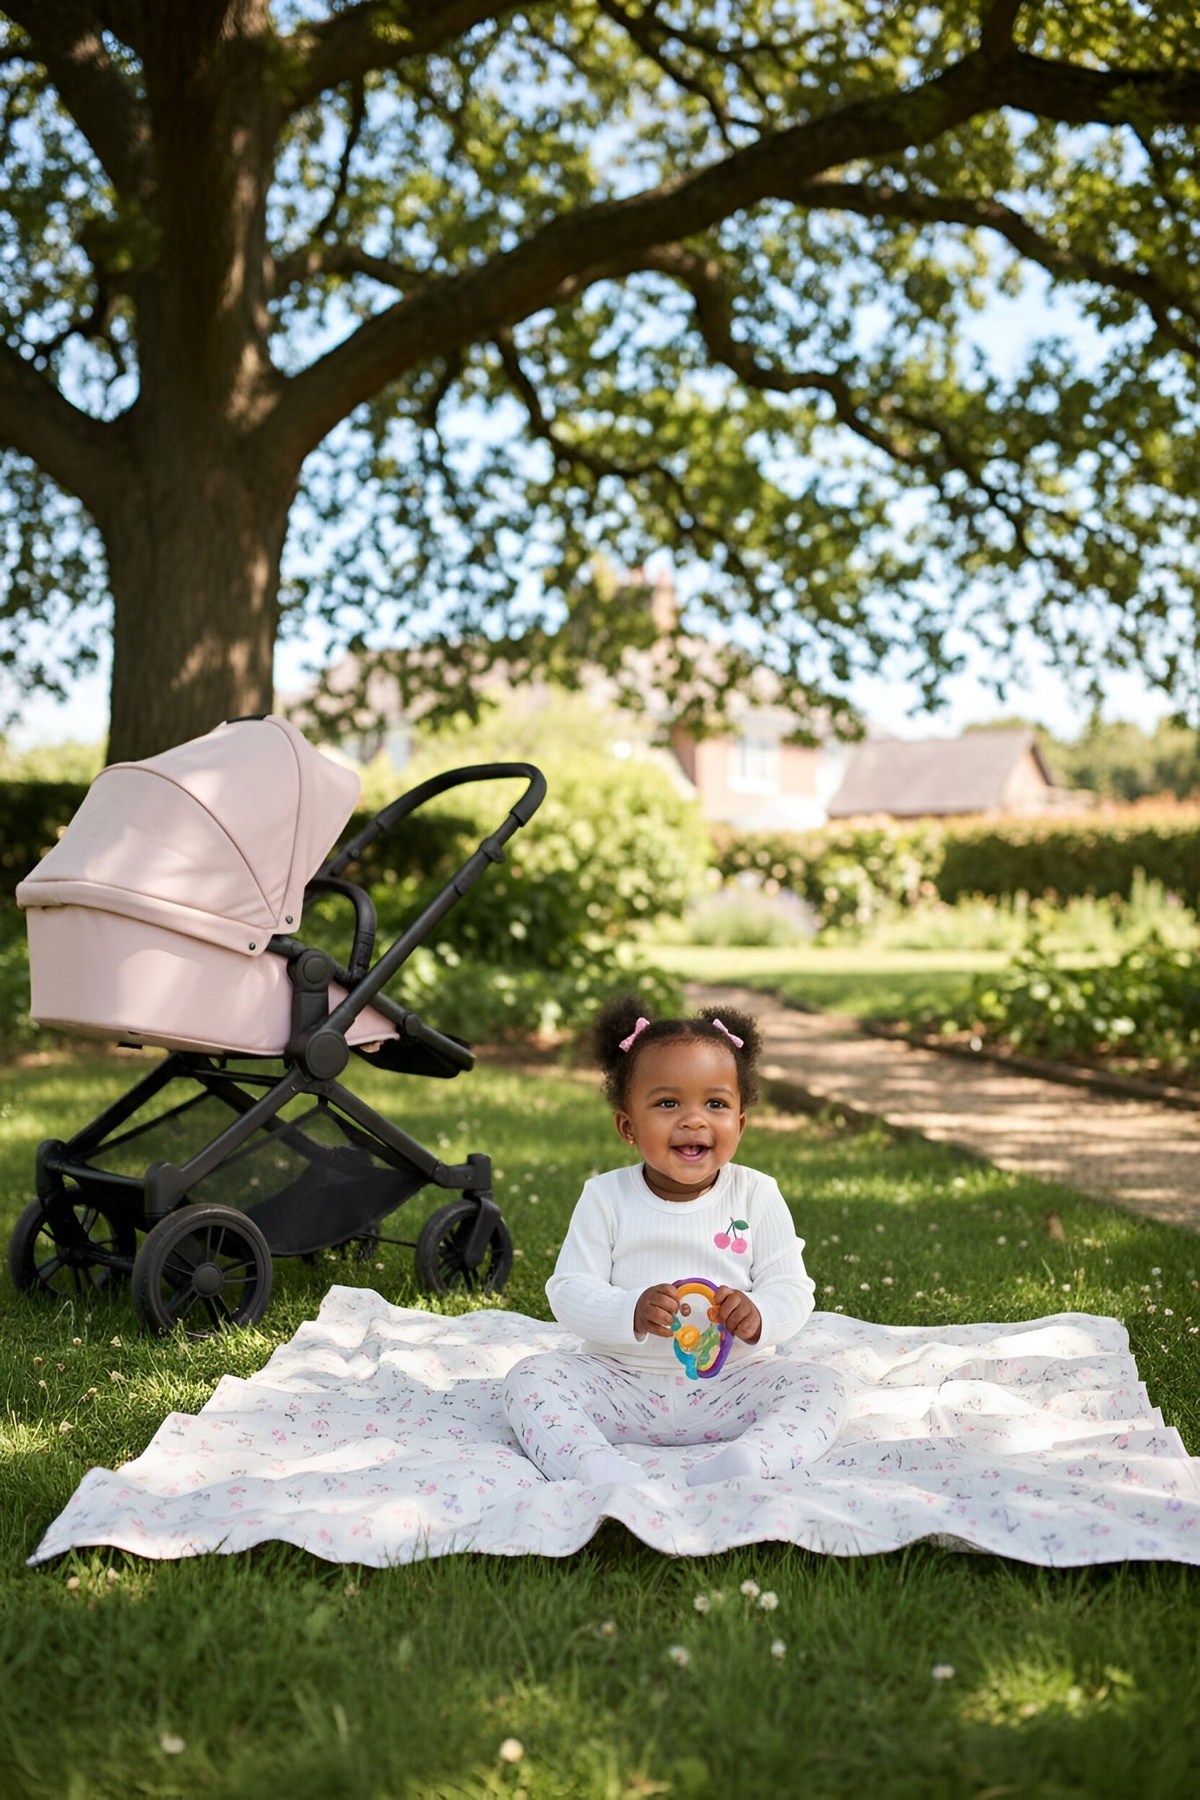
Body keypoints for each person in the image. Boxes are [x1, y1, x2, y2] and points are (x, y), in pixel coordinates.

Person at [502, 995, 848, 1489]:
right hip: (621, 1382)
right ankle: (594, 1468)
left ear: (741, 1123)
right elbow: (569, 1289)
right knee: (529, 1380)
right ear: (628, 1126)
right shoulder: (606, 1196)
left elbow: (792, 1287)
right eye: (668, 1103)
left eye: (715, 1103)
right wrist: (630, 1311)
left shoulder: (756, 1193)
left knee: (824, 1386)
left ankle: (750, 1461)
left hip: (730, 1384)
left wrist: (760, 1314)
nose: (693, 1120)